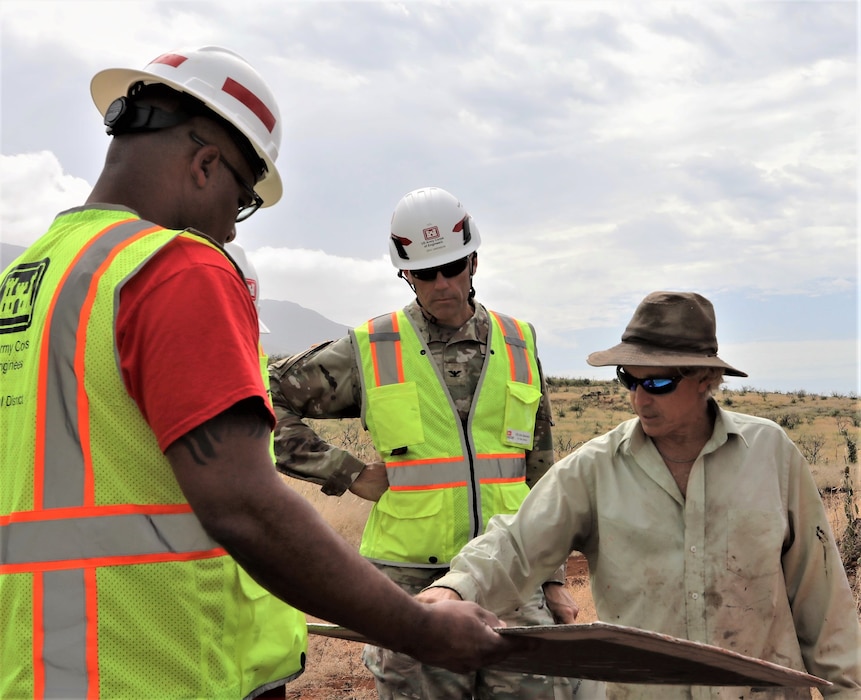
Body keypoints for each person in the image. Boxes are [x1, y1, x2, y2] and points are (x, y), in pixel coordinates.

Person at [0, 48, 517, 700]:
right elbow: (243, 505)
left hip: (38, 668)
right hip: (154, 667)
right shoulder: (173, 266)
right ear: (206, 165)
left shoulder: (32, 280)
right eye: (242, 200)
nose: (229, 227)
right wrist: (421, 628)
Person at [418, 291, 861, 699]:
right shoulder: (594, 468)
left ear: (706, 378)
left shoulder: (771, 454)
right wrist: (454, 591)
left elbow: (821, 598)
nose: (640, 399)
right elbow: (515, 544)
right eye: (629, 379)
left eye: (659, 384)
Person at [269, 186, 580, 699]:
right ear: (405, 274)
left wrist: (554, 577)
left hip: (510, 575)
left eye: (452, 267)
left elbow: (541, 475)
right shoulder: (373, 345)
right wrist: (345, 472)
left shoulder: (519, 341)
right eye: (424, 273)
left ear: (474, 260)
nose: (441, 284)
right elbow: (264, 395)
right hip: (412, 590)